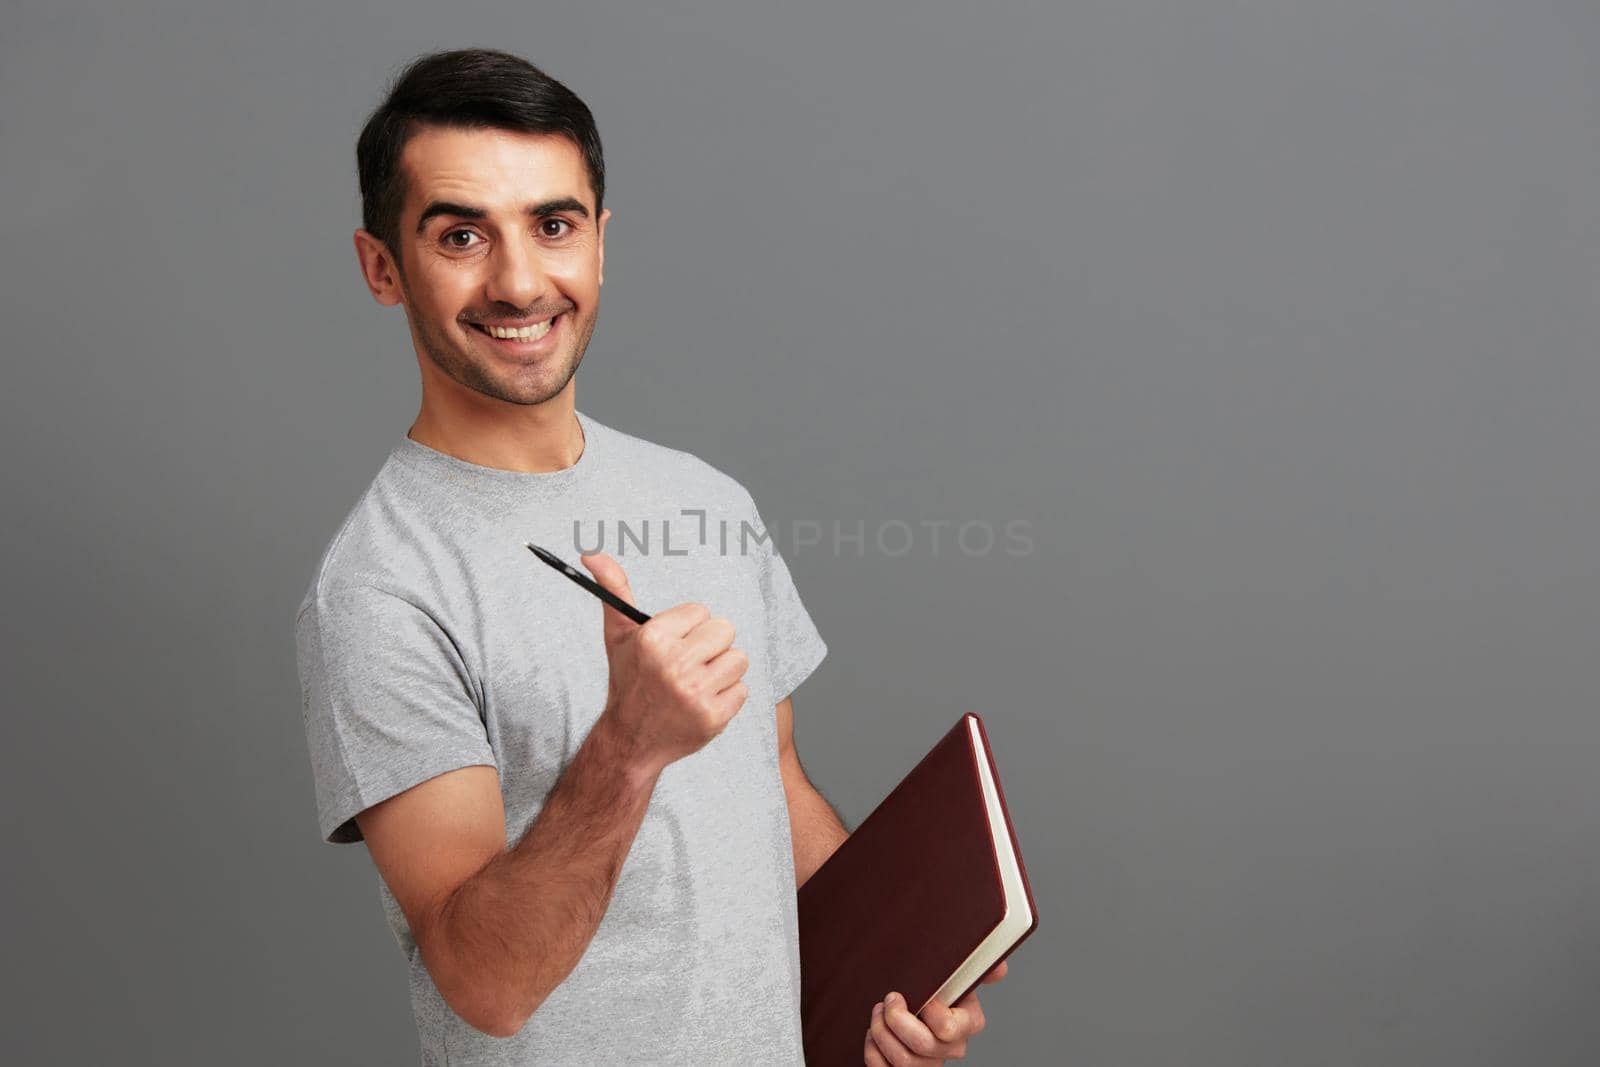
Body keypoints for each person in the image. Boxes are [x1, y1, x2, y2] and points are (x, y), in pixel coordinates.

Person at [294, 47, 1007, 1065]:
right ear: (381, 268)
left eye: (553, 224)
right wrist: (627, 745)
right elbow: (482, 981)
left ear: (599, 242)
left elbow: (777, 782)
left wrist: (897, 974)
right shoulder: (378, 587)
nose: (519, 280)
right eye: (460, 234)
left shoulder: (705, 499)